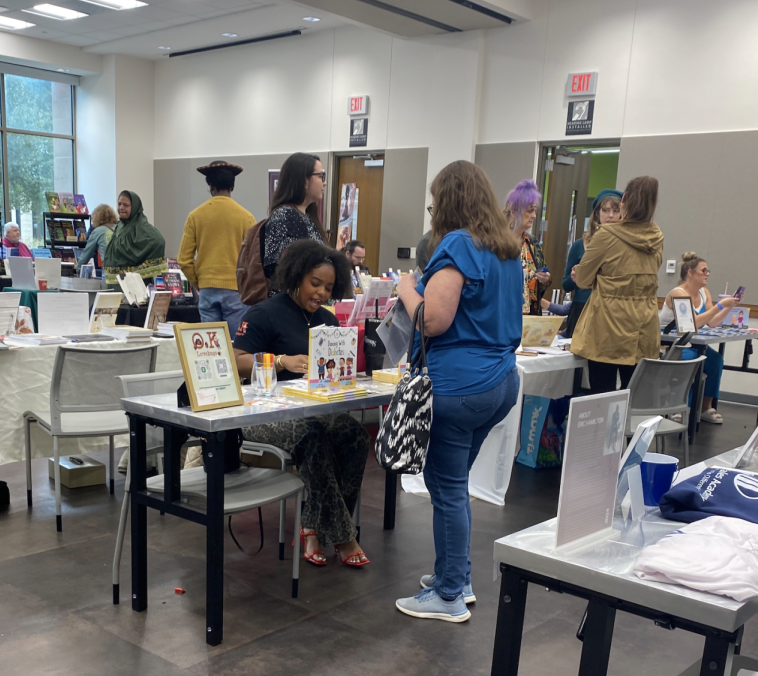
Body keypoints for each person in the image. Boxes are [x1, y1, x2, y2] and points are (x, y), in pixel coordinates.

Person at [393, 161, 523, 623]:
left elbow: (433, 319)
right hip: (500, 382)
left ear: (447, 201)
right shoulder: (506, 250)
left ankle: (450, 594)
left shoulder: (457, 245)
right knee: (451, 484)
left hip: (459, 387)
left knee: (446, 487)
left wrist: (407, 287)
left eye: (433, 203)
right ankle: (455, 574)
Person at [232, 240, 372, 568]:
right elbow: (235, 360)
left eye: (328, 287)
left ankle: (312, 525)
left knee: (356, 437)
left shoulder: (328, 321)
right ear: (296, 276)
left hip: (313, 408)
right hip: (263, 413)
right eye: (315, 283)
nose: (322, 293)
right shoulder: (264, 313)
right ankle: (342, 534)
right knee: (312, 438)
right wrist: (280, 361)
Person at [570, 176, 664, 394]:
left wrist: (597, 278)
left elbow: (583, 280)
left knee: (603, 397)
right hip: (644, 327)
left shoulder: (607, 235)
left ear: (624, 203)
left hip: (608, 327)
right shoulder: (656, 236)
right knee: (633, 396)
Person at [657, 252, 741, 423]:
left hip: (692, 343)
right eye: (703, 270)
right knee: (692, 360)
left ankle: (705, 406)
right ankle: (677, 405)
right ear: (690, 273)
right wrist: (719, 305)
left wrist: (728, 307)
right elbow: (690, 324)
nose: (707, 274)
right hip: (672, 345)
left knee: (715, 360)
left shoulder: (704, 293)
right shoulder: (678, 294)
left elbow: (712, 322)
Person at [179, 161, 256, 334]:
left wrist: (201, 282)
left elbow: (183, 260)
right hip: (236, 291)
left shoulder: (195, 216)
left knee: (211, 346)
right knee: (236, 345)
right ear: (233, 186)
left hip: (207, 289)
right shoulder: (246, 217)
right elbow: (253, 260)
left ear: (210, 185)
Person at [260, 153, 326, 296]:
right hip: (289, 304)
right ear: (304, 180)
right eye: (321, 176)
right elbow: (279, 270)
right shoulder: (284, 216)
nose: (324, 182)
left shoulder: (307, 217)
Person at [562, 189, 620, 338]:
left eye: (615, 210)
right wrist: (575, 278)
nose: (611, 216)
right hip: (581, 308)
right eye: (606, 210)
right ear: (597, 214)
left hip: (611, 311)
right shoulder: (580, 245)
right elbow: (566, 285)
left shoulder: (625, 247)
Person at [102, 190, 169, 284]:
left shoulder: (141, 225)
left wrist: (139, 263)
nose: (121, 207)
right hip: (116, 282)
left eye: (126, 205)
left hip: (133, 284)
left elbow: (158, 241)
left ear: (134, 207)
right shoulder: (120, 225)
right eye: (119, 204)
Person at [505, 179, 549, 316]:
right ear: (514, 210)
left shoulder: (533, 243)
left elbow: (539, 285)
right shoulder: (497, 243)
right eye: (530, 211)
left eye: (535, 211)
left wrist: (545, 280)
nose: (534, 216)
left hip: (530, 318)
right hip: (504, 315)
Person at [77, 203, 117, 268]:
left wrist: (77, 269)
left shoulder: (97, 231)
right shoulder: (120, 228)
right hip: (126, 271)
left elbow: (86, 255)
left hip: (109, 271)